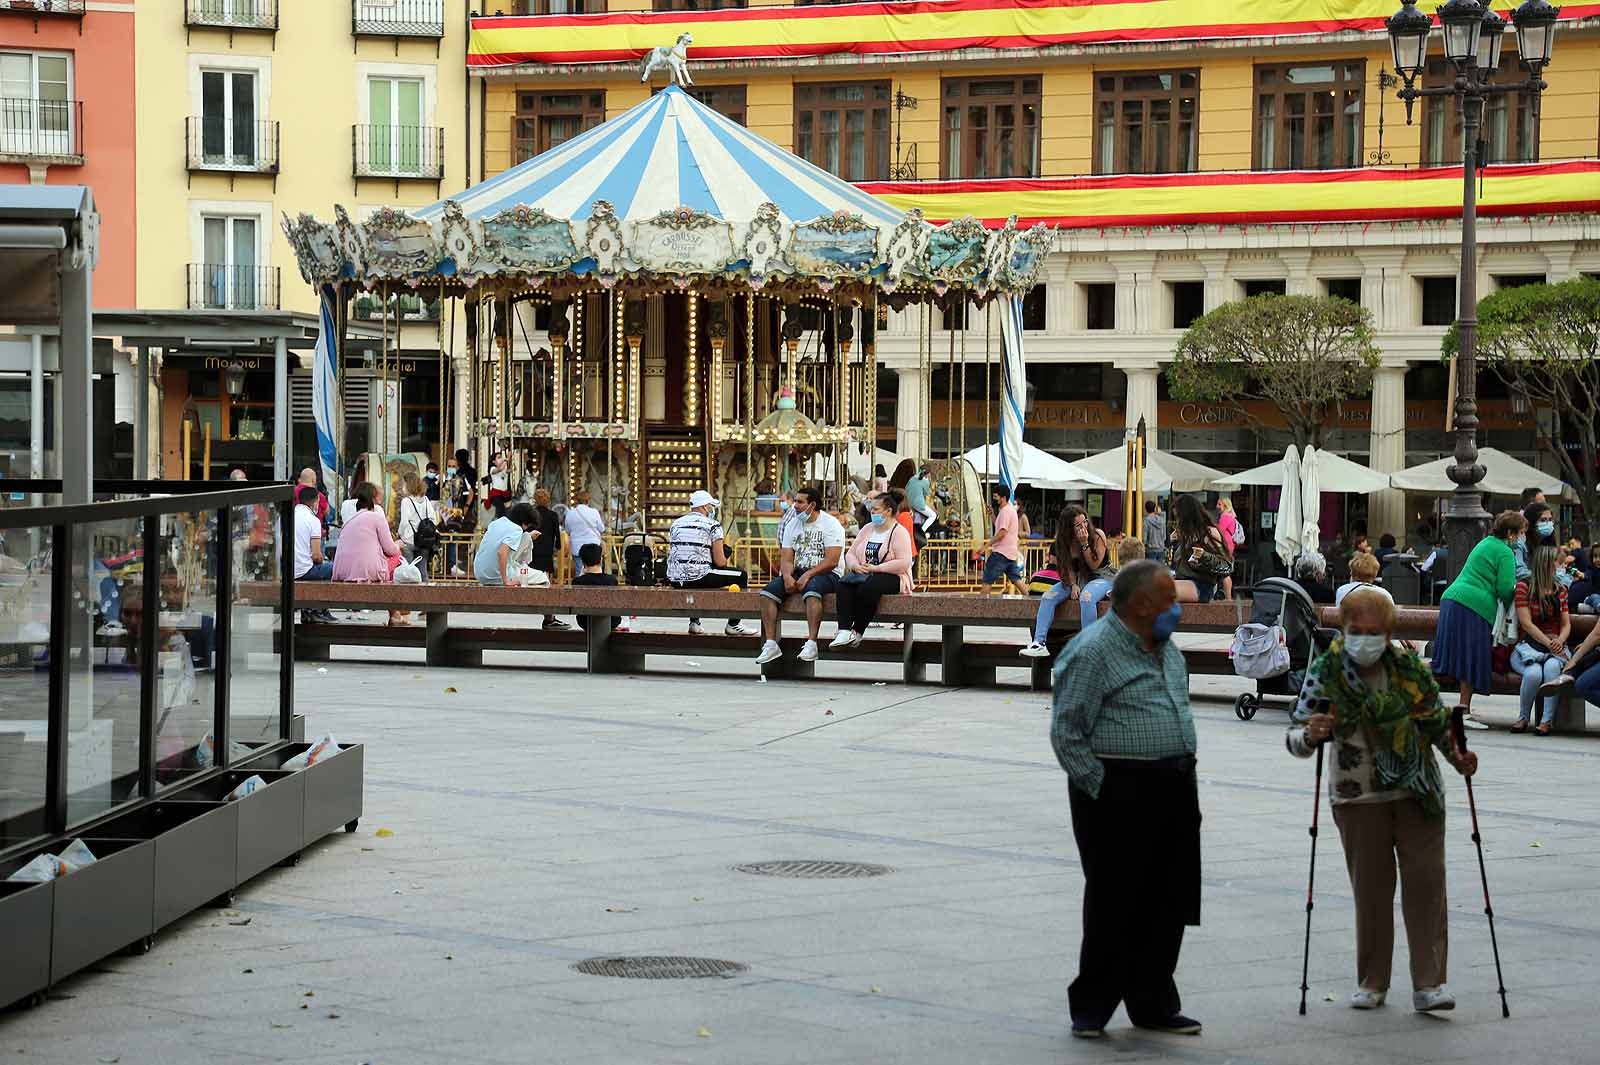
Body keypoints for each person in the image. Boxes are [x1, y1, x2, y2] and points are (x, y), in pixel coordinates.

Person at [1288, 587, 1478, 1013]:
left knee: (1427, 886)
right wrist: (1310, 734)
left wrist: (1460, 757)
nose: (1365, 639)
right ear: (1344, 629)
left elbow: (1435, 724)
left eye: (1374, 632)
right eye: (1356, 630)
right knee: (1371, 892)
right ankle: (1372, 981)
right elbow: (1296, 739)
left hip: (1418, 790)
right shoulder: (1327, 673)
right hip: (1357, 797)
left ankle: (1429, 984)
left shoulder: (1409, 669)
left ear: (1390, 631)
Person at [1050, 561, 1201, 1040]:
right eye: (1168, 602)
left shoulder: (1167, 648)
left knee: (1169, 899)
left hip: (1173, 784)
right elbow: (1067, 731)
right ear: (1139, 605)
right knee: (1115, 901)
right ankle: (1092, 1006)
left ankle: (1153, 1002)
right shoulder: (1093, 652)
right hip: (1118, 788)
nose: (1176, 610)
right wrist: (1102, 788)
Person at [1432, 510, 1525, 731]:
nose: (1522, 537)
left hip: (1452, 599)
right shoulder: (1505, 552)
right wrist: (1520, 590)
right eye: (1521, 533)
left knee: (1453, 657)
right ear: (1511, 533)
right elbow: (1504, 589)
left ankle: (1455, 708)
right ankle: (1463, 709)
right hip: (1475, 606)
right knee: (1472, 657)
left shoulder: (1485, 543)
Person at [755, 486, 845, 666]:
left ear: (812, 505)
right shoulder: (793, 524)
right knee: (767, 594)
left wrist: (808, 575)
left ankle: (812, 642)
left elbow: (832, 559)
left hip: (827, 572)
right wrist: (787, 576)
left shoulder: (830, 524)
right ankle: (771, 643)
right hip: (799, 569)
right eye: (795, 501)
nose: (795, 505)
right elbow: (787, 557)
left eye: (800, 502)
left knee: (811, 592)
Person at [830, 492, 915, 649]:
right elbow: (851, 553)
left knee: (869, 587)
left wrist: (878, 568)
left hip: (892, 576)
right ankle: (843, 630)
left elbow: (904, 562)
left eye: (875, 509)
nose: (872, 512)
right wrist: (855, 566)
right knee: (843, 584)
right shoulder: (868, 528)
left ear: (888, 511)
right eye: (871, 509)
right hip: (865, 573)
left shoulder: (899, 532)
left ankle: (857, 631)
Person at [666, 490, 753, 637]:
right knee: (741, 575)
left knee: (698, 570)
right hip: (698, 577)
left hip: (674, 578)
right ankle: (734, 624)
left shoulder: (676, 524)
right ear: (705, 507)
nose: (712, 510)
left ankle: (694, 622)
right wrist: (725, 554)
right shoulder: (713, 525)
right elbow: (720, 562)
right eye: (711, 506)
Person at [1510, 545, 1574, 735]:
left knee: (1552, 668)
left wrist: (1560, 640)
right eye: (1558, 562)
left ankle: (1546, 721)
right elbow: (1526, 624)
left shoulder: (1560, 590)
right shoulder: (1524, 587)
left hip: (1555, 648)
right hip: (1528, 648)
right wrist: (1549, 643)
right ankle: (1523, 717)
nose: (1561, 566)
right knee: (1533, 674)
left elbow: (1566, 623)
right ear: (1546, 564)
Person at [331, 481, 405, 624]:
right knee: (398, 558)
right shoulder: (376, 516)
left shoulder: (349, 520)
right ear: (373, 499)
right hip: (365, 572)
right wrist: (399, 544)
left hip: (341, 572)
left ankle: (394, 614)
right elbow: (390, 549)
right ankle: (395, 612)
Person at [1171, 494, 1230, 603]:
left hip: (1200, 586)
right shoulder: (1186, 534)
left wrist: (1204, 556)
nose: (1178, 521)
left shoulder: (1209, 532)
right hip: (1184, 583)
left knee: (1162, 590)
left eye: (1179, 517)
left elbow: (1226, 566)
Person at [293, 484, 336, 623]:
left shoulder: (289, 516)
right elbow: (316, 556)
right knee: (334, 568)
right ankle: (318, 610)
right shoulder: (313, 520)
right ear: (314, 502)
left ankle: (309, 610)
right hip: (303, 571)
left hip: (288, 571)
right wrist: (324, 559)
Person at [527, 489, 568, 630]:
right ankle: (548, 615)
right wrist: (557, 546)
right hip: (546, 553)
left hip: (532, 551)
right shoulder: (552, 515)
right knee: (546, 583)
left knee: (530, 578)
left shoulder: (531, 514)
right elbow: (557, 534)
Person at [474, 502, 541, 587]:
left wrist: (529, 536)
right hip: (496, 576)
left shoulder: (497, 522)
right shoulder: (517, 529)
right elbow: (502, 552)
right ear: (525, 522)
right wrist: (506, 581)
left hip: (480, 574)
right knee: (542, 578)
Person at [981, 486, 1027, 597]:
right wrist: (992, 514)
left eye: (996, 496)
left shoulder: (1005, 511)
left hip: (1001, 552)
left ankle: (980, 606)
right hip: (1010, 553)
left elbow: (1002, 532)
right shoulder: (1008, 510)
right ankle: (1032, 599)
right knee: (1017, 579)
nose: (994, 499)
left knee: (987, 579)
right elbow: (999, 524)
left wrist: (986, 545)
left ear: (1003, 497)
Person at [396, 472, 440, 583]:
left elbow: (404, 522)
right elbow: (433, 519)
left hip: (409, 540)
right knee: (422, 570)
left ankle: (407, 595)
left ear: (408, 485)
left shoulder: (406, 501)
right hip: (424, 540)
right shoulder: (425, 500)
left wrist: (400, 534)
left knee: (407, 571)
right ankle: (425, 594)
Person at [571, 542, 621, 632]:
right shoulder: (612, 580)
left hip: (585, 621)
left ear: (583, 562)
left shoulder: (577, 581)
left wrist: (582, 574)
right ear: (600, 560)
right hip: (611, 621)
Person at [564, 489, 605, 570]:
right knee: (594, 569)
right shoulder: (594, 512)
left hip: (577, 547)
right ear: (588, 500)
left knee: (580, 569)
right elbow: (602, 528)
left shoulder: (570, 513)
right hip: (593, 546)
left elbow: (567, 530)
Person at [1517, 500, 1556, 579]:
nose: (1548, 523)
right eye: (1543, 520)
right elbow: (1520, 572)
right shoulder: (1520, 544)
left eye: (1550, 520)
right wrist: (1544, 577)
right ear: (1531, 522)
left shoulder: (1548, 543)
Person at [1216, 498, 1241, 599]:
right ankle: (1228, 597)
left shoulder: (1225, 517)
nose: (1217, 506)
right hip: (1229, 546)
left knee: (1225, 572)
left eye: (1219, 504)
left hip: (1225, 547)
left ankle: (1228, 597)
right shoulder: (1231, 517)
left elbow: (1219, 531)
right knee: (1226, 571)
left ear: (1225, 506)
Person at [905, 465, 933, 530]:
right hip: (918, 504)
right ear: (928, 474)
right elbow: (926, 494)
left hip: (909, 502)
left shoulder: (912, 478)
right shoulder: (925, 481)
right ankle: (922, 530)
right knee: (933, 515)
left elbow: (906, 488)